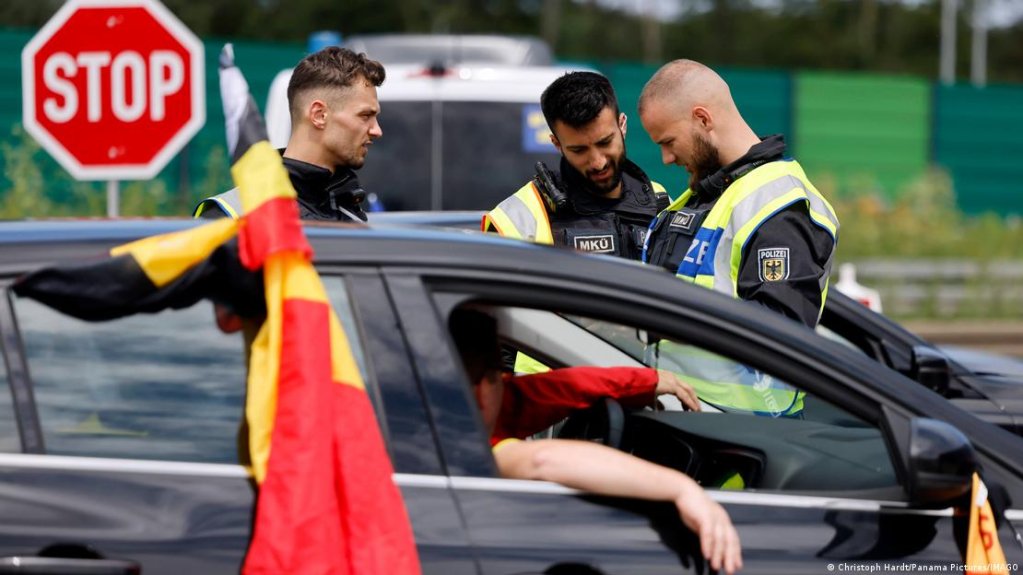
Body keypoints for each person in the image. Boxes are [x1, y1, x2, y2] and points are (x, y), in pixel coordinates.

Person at [449, 308, 741, 575]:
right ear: (483, 389)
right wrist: (682, 489)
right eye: (502, 377)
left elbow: (561, 389)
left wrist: (648, 381)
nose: (509, 383)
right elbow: (542, 460)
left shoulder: (442, 415)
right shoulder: (464, 444)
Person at [637, 59, 839, 418]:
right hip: (688, 425)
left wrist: (662, 318)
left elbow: (779, 328)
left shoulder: (778, 202)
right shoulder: (703, 195)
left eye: (668, 142)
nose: (666, 158)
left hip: (747, 437)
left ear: (703, 118)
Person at [482, 71, 669, 260]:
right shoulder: (516, 221)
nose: (598, 162)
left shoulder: (660, 201)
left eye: (605, 143)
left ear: (622, 126)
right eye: (579, 150)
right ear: (557, 144)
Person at [193, 46, 385, 221]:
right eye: (365, 115)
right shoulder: (231, 215)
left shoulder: (351, 211)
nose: (377, 131)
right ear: (319, 115)